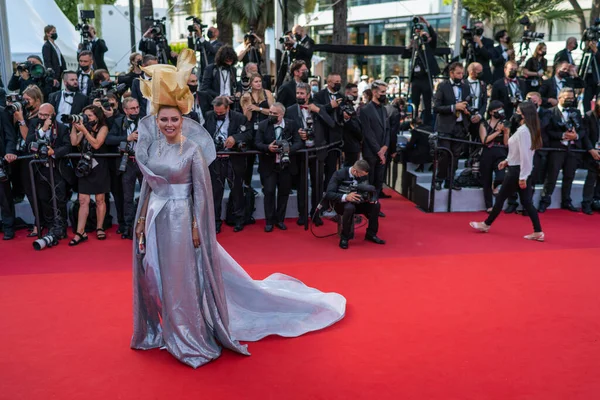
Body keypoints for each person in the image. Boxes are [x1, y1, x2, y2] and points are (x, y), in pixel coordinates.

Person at [130, 49, 345, 368]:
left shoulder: (192, 150)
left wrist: (196, 226)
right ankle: (166, 328)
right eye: (164, 119)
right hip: (156, 220)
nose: (170, 123)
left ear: (182, 120)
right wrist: (142, 218)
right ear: (157, 120)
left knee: (183, 277)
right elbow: (149, 185)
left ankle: (189, 330)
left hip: (183, 220)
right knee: (159, 273)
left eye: (175, 118)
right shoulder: (151, 147)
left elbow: (202, 194)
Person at [470, 101, 544, 241]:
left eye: (517, 111)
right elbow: (518, 151)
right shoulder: (527, 129)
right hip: (518, 168)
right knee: (527, 202)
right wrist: (507, 161)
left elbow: (526, 155)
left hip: (517, 171)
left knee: (501, 198)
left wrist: (523, 176)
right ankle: (538, 231)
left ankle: (486, 224)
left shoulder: (524, 131)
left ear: (523, 114)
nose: (515, 113)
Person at [284, 82, 335, 225]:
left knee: (318, 184)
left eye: (302, 93)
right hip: (301, 152)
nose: (299, 96)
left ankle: (316, 213)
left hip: (317, 151)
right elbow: (287, 130)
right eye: (297, 93)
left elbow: (331, 123)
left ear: (308, 95)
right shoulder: (290, 110)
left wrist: (318, 110)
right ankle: (302, 214)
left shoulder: (318, 107)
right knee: (301, 185)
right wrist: (298, 133)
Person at [204, 96, 251, 233]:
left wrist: (235, 138)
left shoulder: (239, 117)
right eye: (216, 112)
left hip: (233, 158)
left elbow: (249, 134)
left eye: (221, 113)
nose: (218, 115)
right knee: (215, 193)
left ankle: (239, 219)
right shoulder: (208, 116)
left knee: (237, 191)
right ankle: (215, 222)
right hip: (215, 159)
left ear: (228, 108)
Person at [25, 103, 70, 238]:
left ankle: (61, 226)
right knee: (43, 198)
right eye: (40, 114)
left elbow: (67, 146)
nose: (42, 117)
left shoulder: (61, 128)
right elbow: (28, 143)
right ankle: (50, 226)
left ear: (53, 115)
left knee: (60, 198)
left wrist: (54, 152)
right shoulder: (34, 124)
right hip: (40, 169)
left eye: (45, 115)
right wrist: (42, 130)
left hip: (57, 169)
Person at [255, 103, 302, 232]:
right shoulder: (263, 125)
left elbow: (299, 142)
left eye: (274, 114)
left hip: (286, 165)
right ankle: (269, 221)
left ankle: (280, 220)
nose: (271, 115)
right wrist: (268, 148)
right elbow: (257, 142)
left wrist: (288, 150)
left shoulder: (291, 124)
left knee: (284, 193)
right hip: (269, 165)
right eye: (270, 112)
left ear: (281, 115)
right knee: (269, 192)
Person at [538, 88, 586, 213]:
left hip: (572, 149)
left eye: (572, 98)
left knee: (569, 176)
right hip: (557, 148)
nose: (570, 100)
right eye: (567, 98)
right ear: (559, 98)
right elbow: (546, 131)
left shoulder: (576, 112)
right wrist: (562, 135)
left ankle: (566, 200)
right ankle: (545, 201)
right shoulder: (550, 112)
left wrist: (576, 136)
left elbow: (582, 130)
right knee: (552, 176)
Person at [69, 105, 110, 245]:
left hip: (99, 166)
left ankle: (100, 227)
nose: (87, 118)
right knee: (83, 200)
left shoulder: (103, 128)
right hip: (85, 167)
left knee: (100, 199)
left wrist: (85, 130)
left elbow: (97, 144)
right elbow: (74, 142)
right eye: (85, 115)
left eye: (90, 116)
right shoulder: (83, 127)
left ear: (97, 117)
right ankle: (80, 232)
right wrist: (75, 127)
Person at [325, 159, 385, 249]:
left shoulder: (363, 174)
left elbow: (369, 188)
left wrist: (371, 198)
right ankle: (344, 237)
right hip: (342, 203)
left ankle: (371, 234)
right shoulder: (339, 174)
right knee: (349, 207)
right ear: (354, 171)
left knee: (376, 205)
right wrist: (346, 197)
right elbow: (329, 194)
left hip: (359, 202)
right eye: (361, 175)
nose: (363, 177)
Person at [105, 97, 142, 239]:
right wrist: (127, 138)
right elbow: (109, 139)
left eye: (137, 107)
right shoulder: (118, 122)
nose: (136, 110)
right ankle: (127, 227)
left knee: (146, 196)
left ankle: (144, 224)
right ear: (125, 110)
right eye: (132, 108)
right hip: (127, 162)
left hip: (143, 162)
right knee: (127, 197)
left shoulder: (145, 121)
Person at [433, 62, 471, 191]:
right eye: (458, 73)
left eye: (462, 73)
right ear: (451, 73)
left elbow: (468, 103)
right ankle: (439, 179)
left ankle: (450, 181)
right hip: (445, 126)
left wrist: (466, 110)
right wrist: (454, 107)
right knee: (444, 154)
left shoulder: (466, 86)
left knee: (456, 155)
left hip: (460, 125)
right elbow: (436, 107)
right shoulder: (442, 86)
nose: (461, 76)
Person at [402, 16, 438, 125]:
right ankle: (413, 121)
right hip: (416, 79)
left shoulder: (429, 46)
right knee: (415, 102)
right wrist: (411, 44)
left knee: (427, 103)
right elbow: (404, 55)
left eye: (425, 35)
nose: (424, 37)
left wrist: (426, 23)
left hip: (426, 78)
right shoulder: (415, 47)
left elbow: (434, 36)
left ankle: (427, 123)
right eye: (422, 35)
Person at [240, 73, 274, 186]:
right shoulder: (246, 95)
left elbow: (273, 111)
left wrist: (258, 108)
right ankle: (247, 187)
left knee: (265, 159)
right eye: (256, 81)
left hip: (265, 129)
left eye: (260, 81)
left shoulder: (267, 93)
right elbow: (247, 117)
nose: (259, 83)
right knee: (249, 160)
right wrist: (247, 102)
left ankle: (266, 185)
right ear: (251, 83)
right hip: (251, 130)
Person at [359, 80, 390, 199]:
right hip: (371, 152)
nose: (384, 94)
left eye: (385, 92)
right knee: (370, 181)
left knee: (379, 181)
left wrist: (385, 147)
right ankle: (368, 207)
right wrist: (379, 151)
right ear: (374, 92)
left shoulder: (384, 109)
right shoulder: (365, 110)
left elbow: (388, 129)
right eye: (382, 92)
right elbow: (367, 133)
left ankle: (375, 206)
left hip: (382, 151)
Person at [478, 100, 510, 212]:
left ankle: (495, 185)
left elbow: (506, 143)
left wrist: (505, 132)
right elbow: (484, 140)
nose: (500, 112)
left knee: (501, 176)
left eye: (501, 109)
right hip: (487, 152)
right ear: (491, 112)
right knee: (486, 179)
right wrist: (497, 132)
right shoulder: (484, 123)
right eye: (497, 110)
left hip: (501, 152)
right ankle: (489, 206)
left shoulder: (506, 123)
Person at [0, 104, 18, 240]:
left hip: (1, 161)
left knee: (4, 197)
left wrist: (10, 152)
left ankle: (8, 227)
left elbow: (10, 135)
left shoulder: (2, 112)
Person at [462, 20, 494, 85]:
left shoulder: (489, 41)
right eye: (476, 27)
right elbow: (463, 56)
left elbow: (488, 56)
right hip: (471, 73)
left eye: (480, 28)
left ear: (483, 29)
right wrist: (464, 45)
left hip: (484, 72)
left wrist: (479, 43)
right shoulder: (470, 41)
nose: (478, 30)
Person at [582, 97, 600, 214]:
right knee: (591, 177)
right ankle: (586, 203)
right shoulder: (589, 116)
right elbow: (585, 135)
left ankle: (597, 201)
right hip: (592, 151)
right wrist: (591, 149)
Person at [131, 55, 159, 119]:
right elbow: (135, 100)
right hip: (143, 118)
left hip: (160, 118)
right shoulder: (137, 82)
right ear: (144, 66)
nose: (155, 69)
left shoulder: (162, 80)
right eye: (152, 67)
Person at [465, 62, 488, 141]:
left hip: (479, 115)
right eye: (479, 71)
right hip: (466, 115)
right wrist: (470, 115)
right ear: (471, 71)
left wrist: (480, 115)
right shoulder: (463, 83)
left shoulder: (482, 84)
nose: (481, 73)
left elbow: (485, 102)